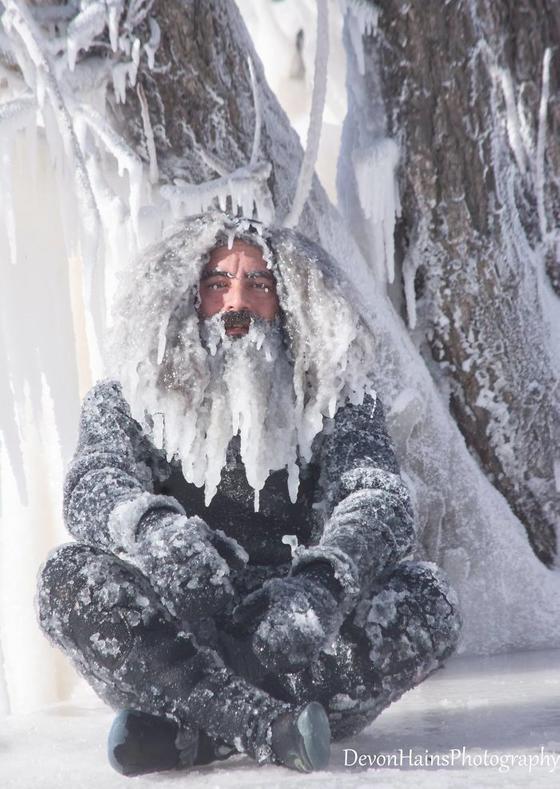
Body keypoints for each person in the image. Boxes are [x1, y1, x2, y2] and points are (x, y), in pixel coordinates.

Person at [36, 211, 462, 776]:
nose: (236, 301)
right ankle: (261, 726)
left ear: (288, 301)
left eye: (259, 283)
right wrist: (156, 533)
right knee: (65, 580)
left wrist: (322, 585)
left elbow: (377, 496)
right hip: (177, 640)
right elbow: (94, 483)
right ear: (187, 296)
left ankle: (201, 735)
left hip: (296, 639)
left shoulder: (335, 395)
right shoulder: (129, 394)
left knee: (428, 599)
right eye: (218, 282)